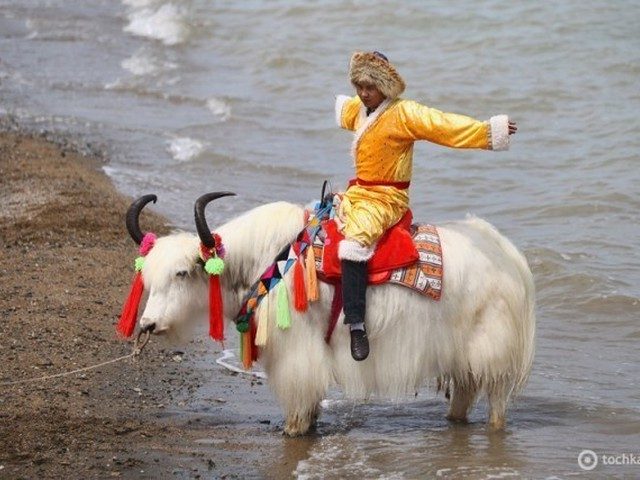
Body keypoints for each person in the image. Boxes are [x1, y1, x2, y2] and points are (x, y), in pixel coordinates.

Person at [335, 51, 517, 361]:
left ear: (385, 86)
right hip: (358, 193)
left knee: (354, 244)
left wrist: (488, 131)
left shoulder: (404, 114)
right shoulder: (358, 109)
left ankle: (356, 325)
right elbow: (345, 111)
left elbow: (443, 126)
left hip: (385, 199)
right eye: (358, 86)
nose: (363, 93)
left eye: (370, 87)